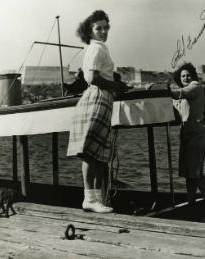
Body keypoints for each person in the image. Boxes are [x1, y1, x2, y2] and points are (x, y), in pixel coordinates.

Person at [67, 10, 129, 213]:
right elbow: (91, 78)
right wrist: (115, 85)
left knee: (98, 153)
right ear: (90, 31)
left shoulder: (100, 48)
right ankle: (89, 198)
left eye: (105, 27)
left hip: (104, 99)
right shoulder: (96, 49)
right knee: (91, 153)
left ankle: (96, 198)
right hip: (98, 98)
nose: (103, 31)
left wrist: (115, 84)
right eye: (98, 28)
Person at [169, 62, 205, 222]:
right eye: (183, 76)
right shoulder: (184, 94)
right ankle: (191, 207)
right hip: (187, 136)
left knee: (196, 173)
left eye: (188, 75)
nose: (186, 78)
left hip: (197, 136)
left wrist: (165, 90)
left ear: (193, 76)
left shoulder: (195, 87)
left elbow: (178, 93)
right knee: (189, 174)